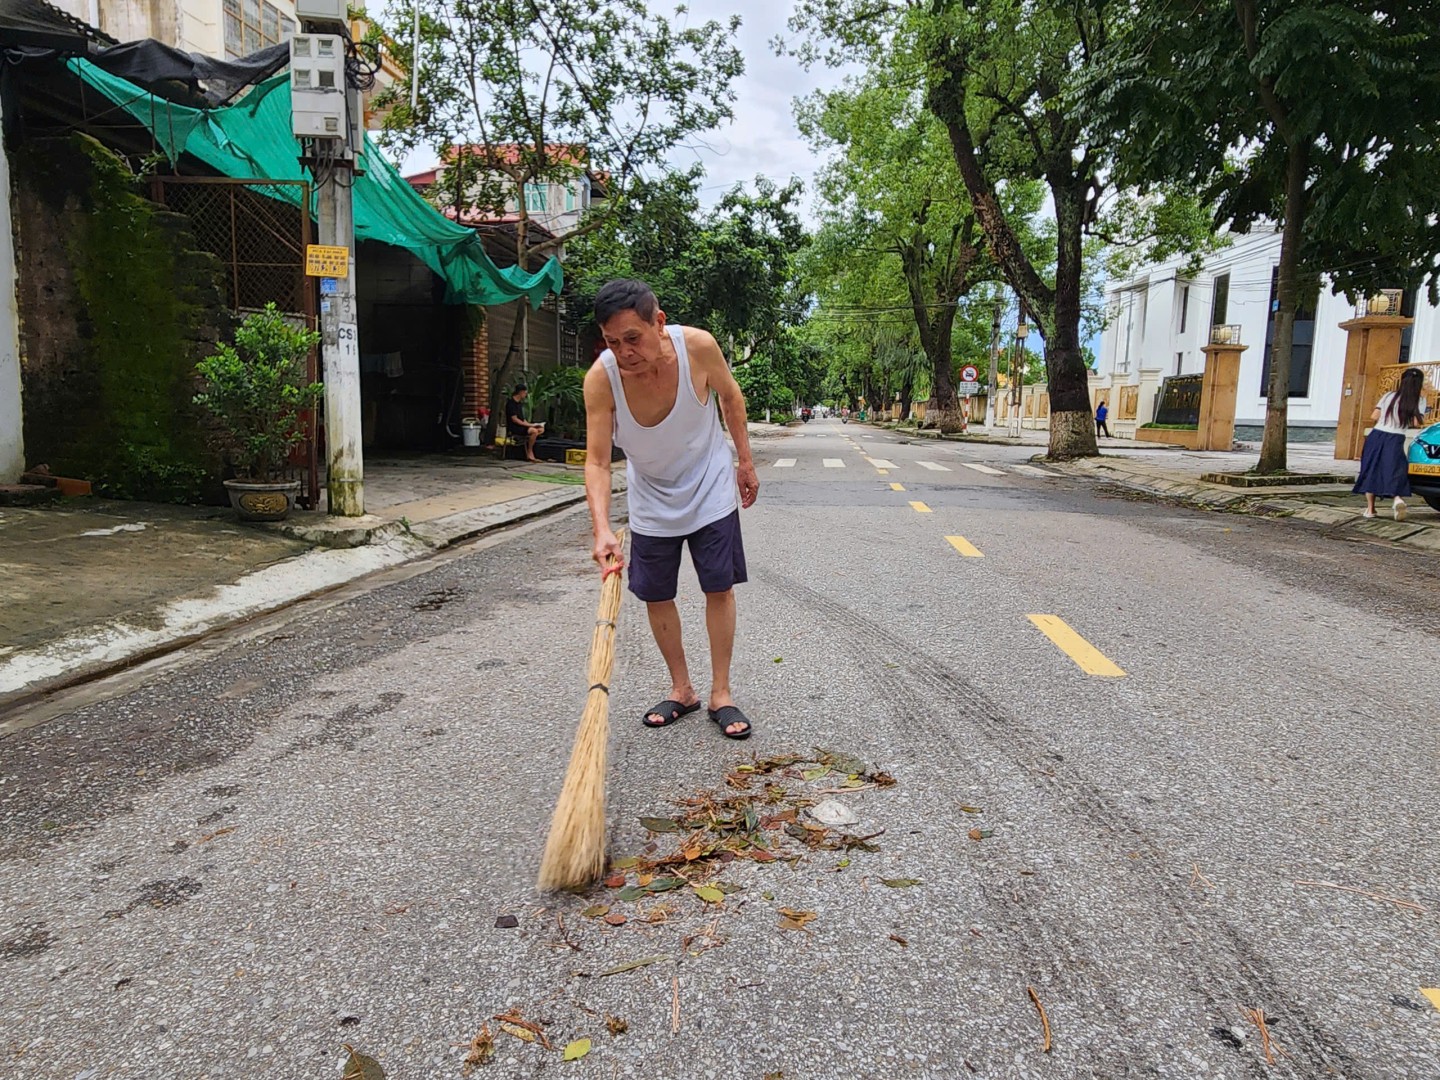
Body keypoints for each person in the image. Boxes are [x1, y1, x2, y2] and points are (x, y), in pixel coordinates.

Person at [582, 279, 760, 739]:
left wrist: (744, 461)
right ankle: (683, 689)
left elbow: (731, 396)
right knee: (656, 594)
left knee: (718, 587)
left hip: (710, 486)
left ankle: (721, 692)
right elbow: (598, 460)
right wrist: (602, 528)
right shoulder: (602, 379)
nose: (624, 353)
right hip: (652, 499)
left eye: (633, 339)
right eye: (612, 342)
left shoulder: (697, 347)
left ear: (658, 322)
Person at [1354, 367, 1427, 520]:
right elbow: (1416, 422)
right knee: (1395, 468)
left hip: (1377, 435)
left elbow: (1374, 416)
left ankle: (1370, 509)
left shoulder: (1389, 396)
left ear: (1402, 380)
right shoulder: (1419, 400)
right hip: (1396, 438)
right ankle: (1397, 498)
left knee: (1371, 468)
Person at [504, 384, 544, 463]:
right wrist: (530, 426)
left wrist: (533, 424)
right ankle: (529, 451)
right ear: (521, 392)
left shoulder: (519, 404)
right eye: (525, 393)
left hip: (522, 425)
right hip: (515, 427)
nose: (526, 395)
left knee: (540, 429)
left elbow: (522, 419)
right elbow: (515, 419)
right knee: (534, 431)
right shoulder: (511, 404)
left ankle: (527, 444)